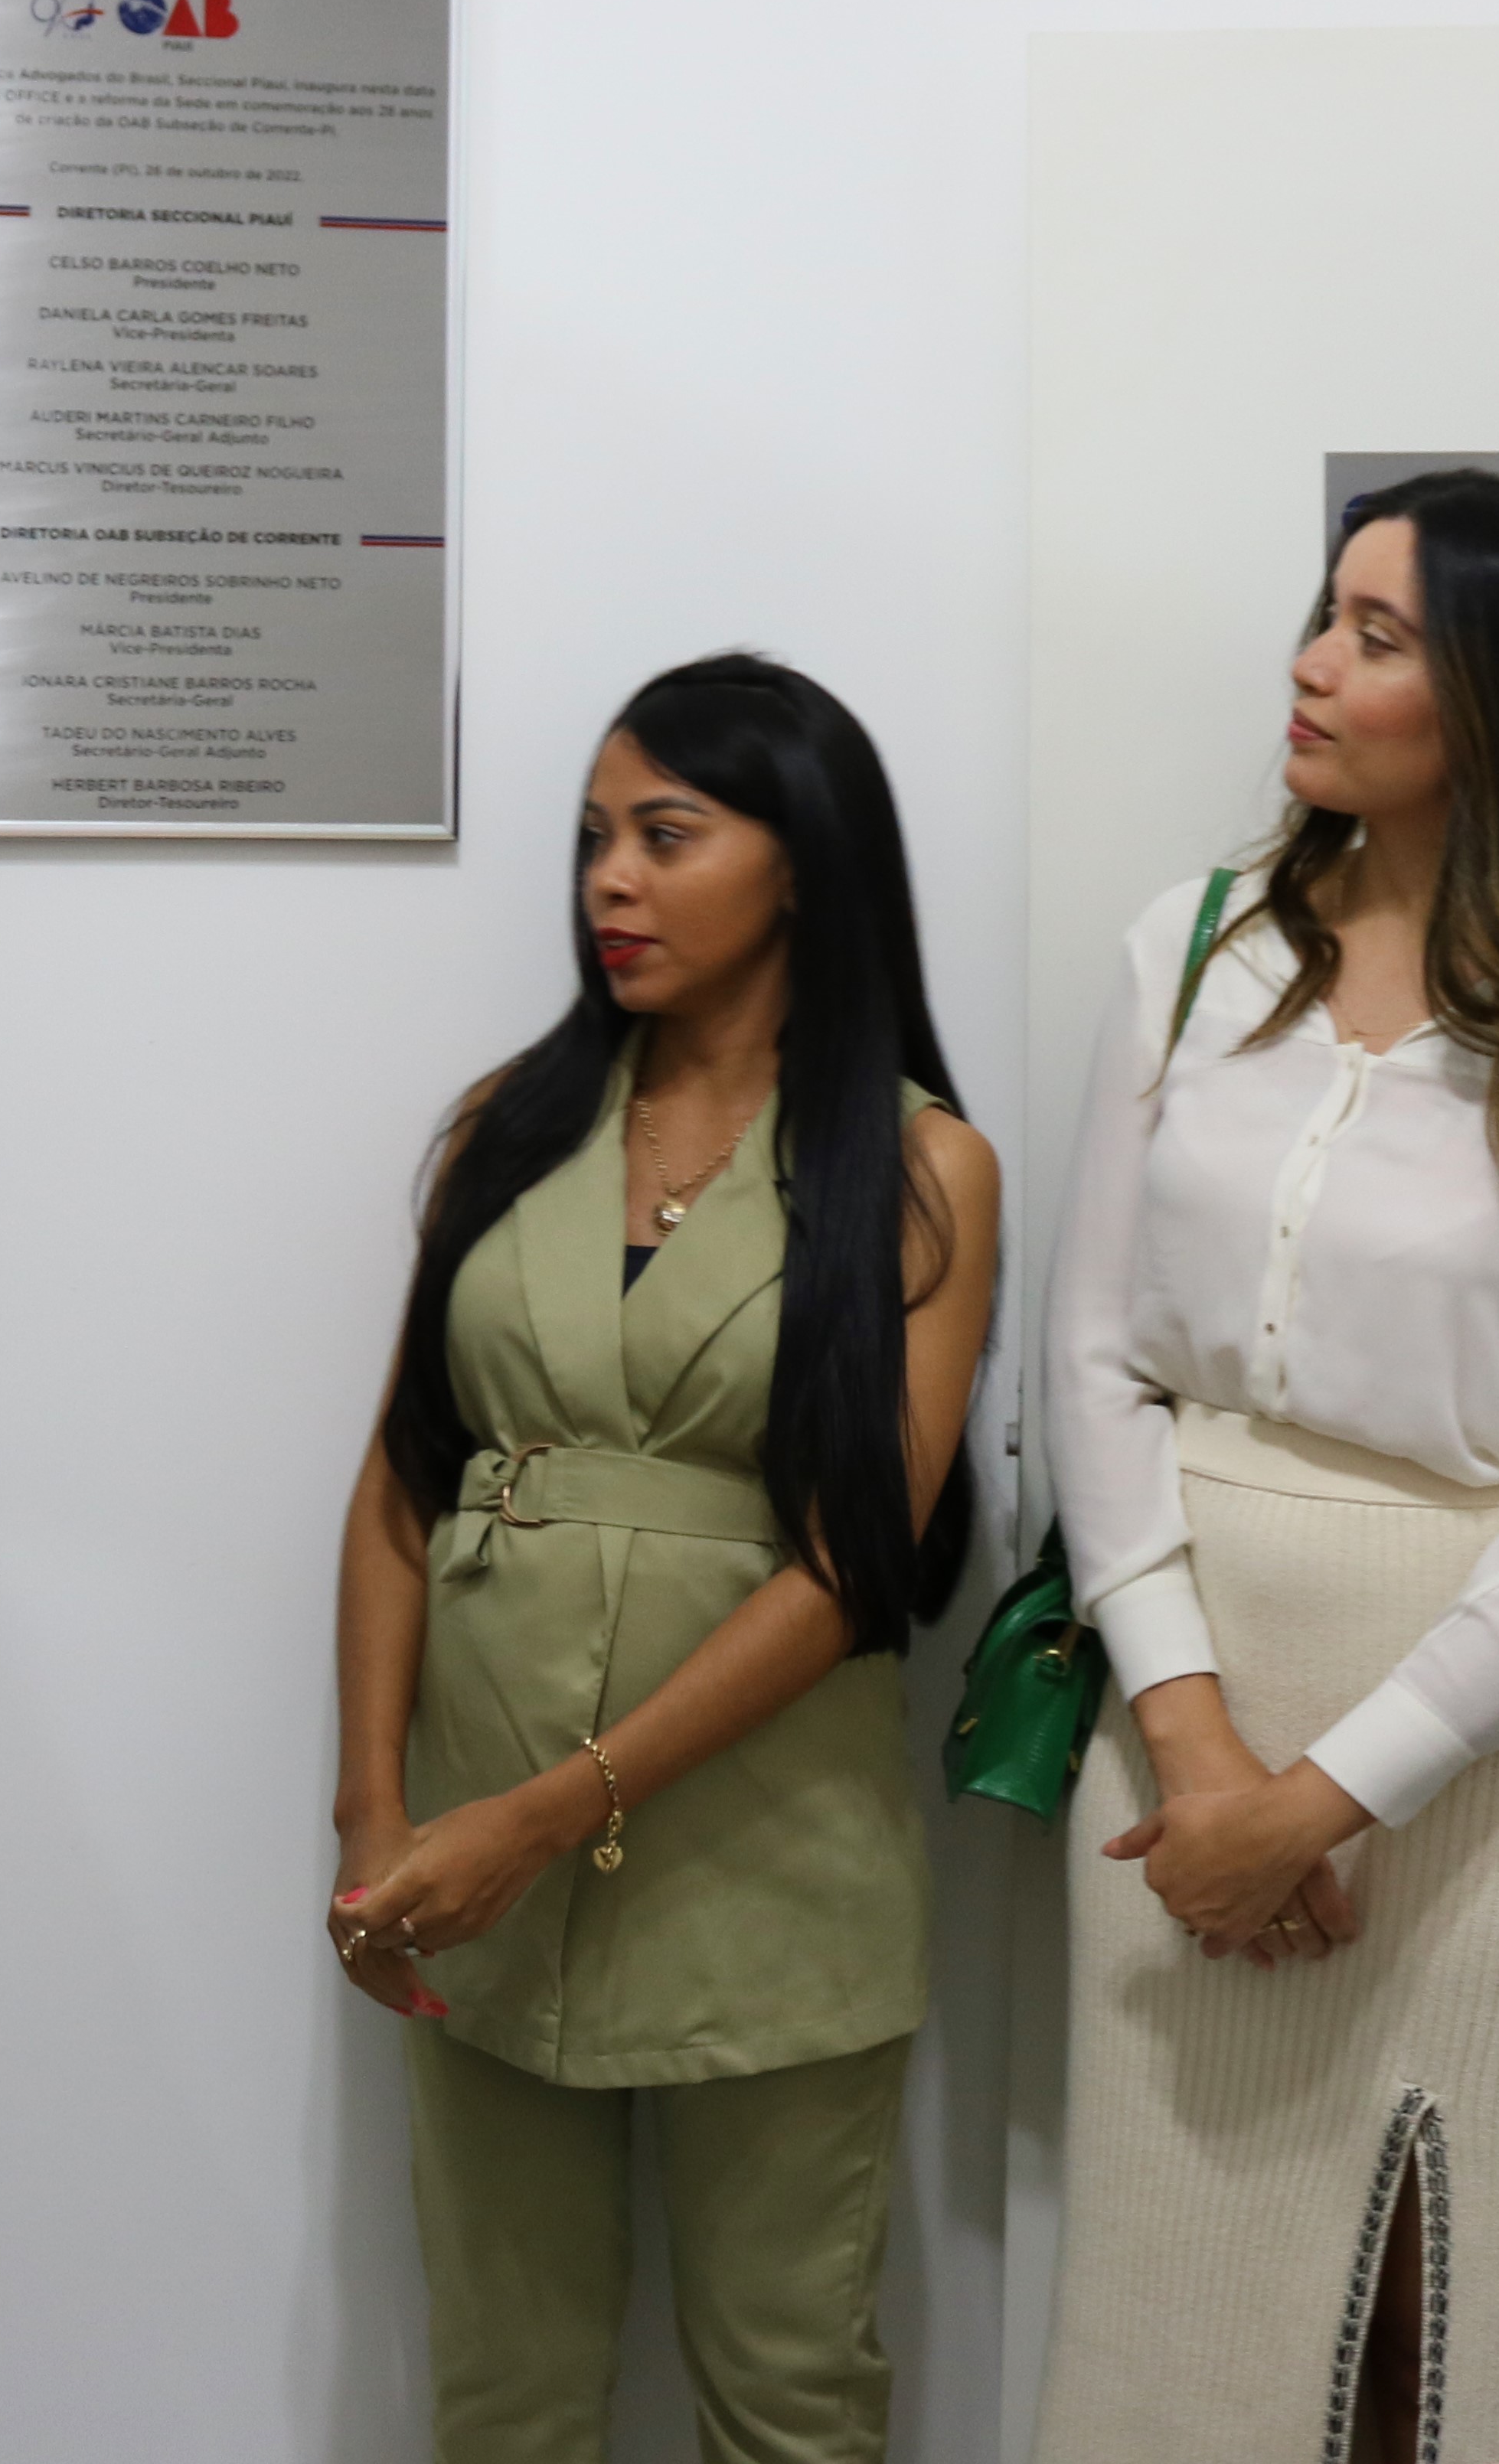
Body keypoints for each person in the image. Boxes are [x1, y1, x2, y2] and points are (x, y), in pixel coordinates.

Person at [1033, 469, 1499, 2464]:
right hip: (1182, 1709)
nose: (1309, 664)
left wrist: (1321, 1800)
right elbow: (1091, 1360)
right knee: (1171, 2322)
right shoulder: (1190, 948)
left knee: (1435, 2348)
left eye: (1376, 637)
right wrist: (1200, 1755)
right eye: (1325, 613)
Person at [324, 651, 999, 2464]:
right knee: (504, 2401)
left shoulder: (920, 1168)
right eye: (592, 838)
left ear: (805, 864)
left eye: (667, 834)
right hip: (466, 1866)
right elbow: (401, 1484)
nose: (609, 879)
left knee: (787, 2397)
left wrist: (544, 1813)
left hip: (768, 1869)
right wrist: (377, 1811)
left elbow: (853, 1560)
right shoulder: (510, 1123)